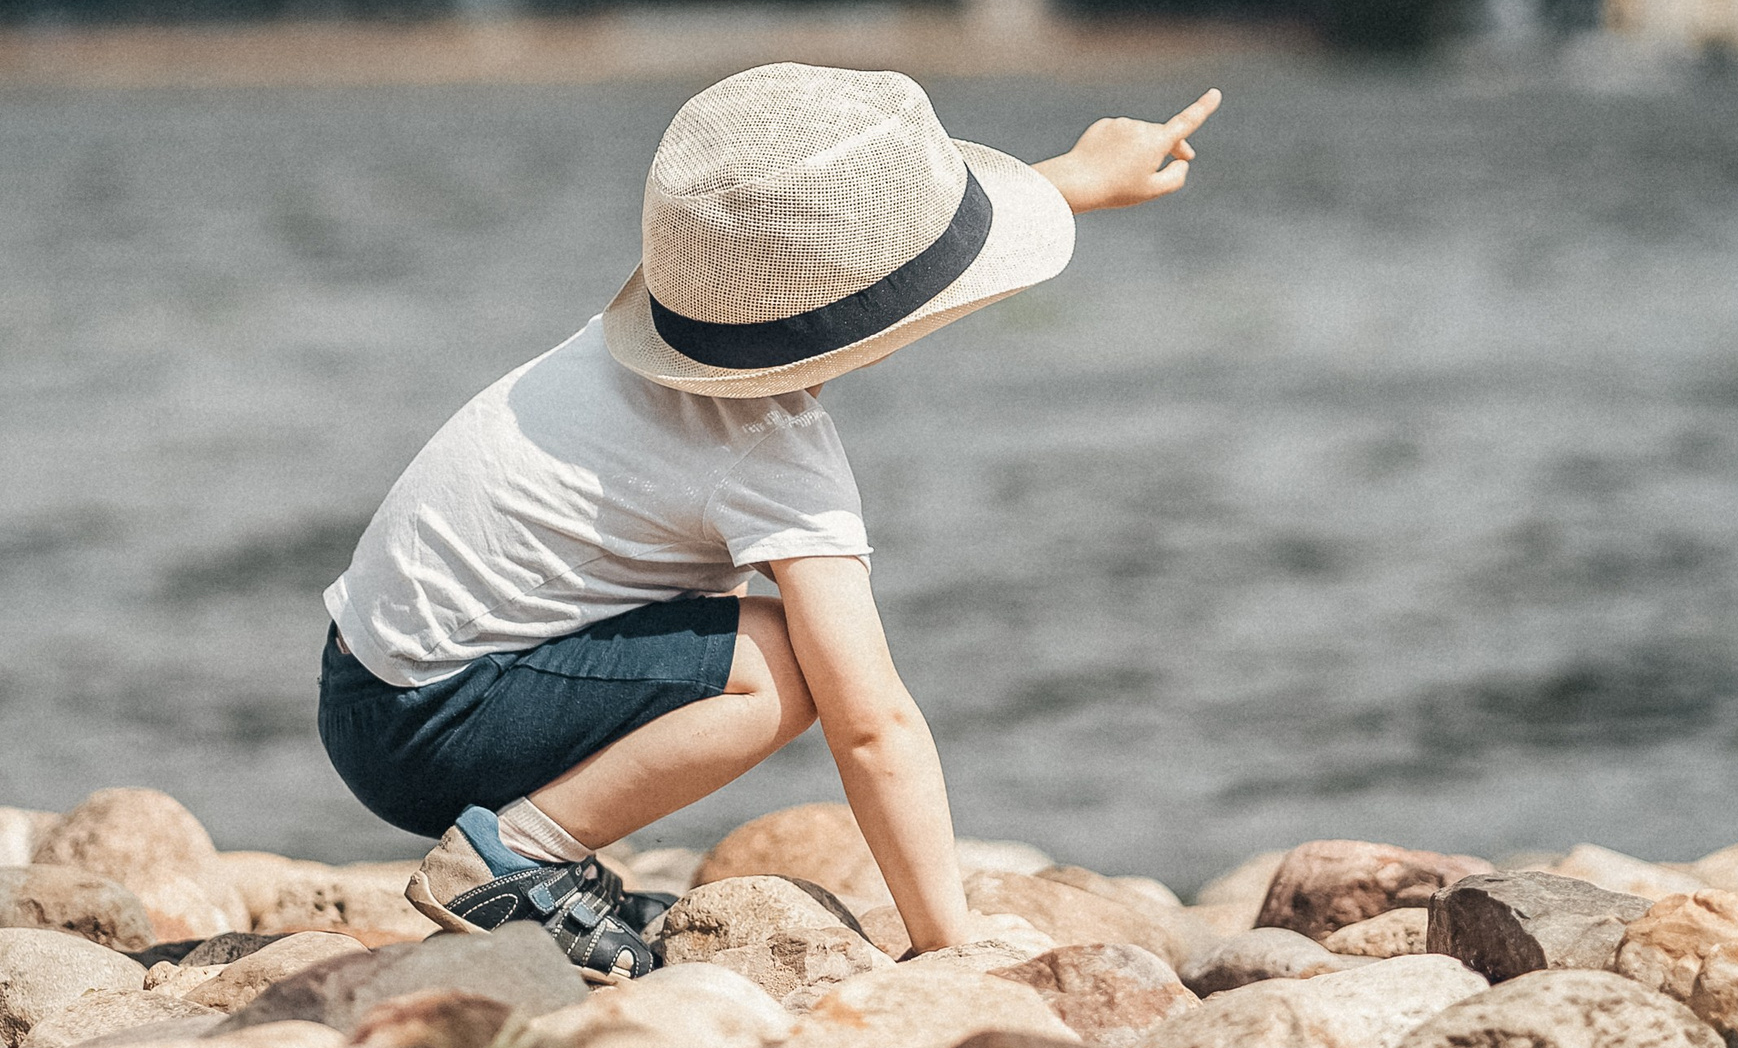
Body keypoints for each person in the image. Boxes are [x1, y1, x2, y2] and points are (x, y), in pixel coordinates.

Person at [317, 64, 1218, 980]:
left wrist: (1073, 178)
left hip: (369, 682)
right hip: (429, 732)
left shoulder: (655, 347)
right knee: (789, 665)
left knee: (747, 640)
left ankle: (538, 848)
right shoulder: (769, 450)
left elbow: (864, 276)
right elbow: (872, 724)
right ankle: (511, 858)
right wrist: (951, 946)